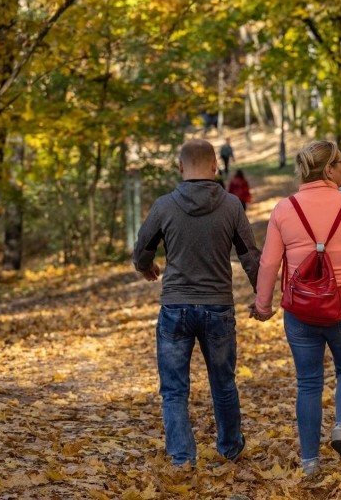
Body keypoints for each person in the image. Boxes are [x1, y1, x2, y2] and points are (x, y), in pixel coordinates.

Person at [253, 140, 341, 478]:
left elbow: (268, 263)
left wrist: (263, 305)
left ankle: (310, 461)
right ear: (329, 169)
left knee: (308, 382)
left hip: (300, 310)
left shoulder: (285, 209)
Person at [132, 139, 260, 467]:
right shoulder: (232, 206)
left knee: (174, 390)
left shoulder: (164, 206)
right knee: (223, 383)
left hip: (175, 308)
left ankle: (182, 458)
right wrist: (262, 296)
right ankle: (230, 448)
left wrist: (146, 266)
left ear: (180, 167)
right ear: (216, 167)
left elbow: (141, 251)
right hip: (218, 307)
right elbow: (250, 257)